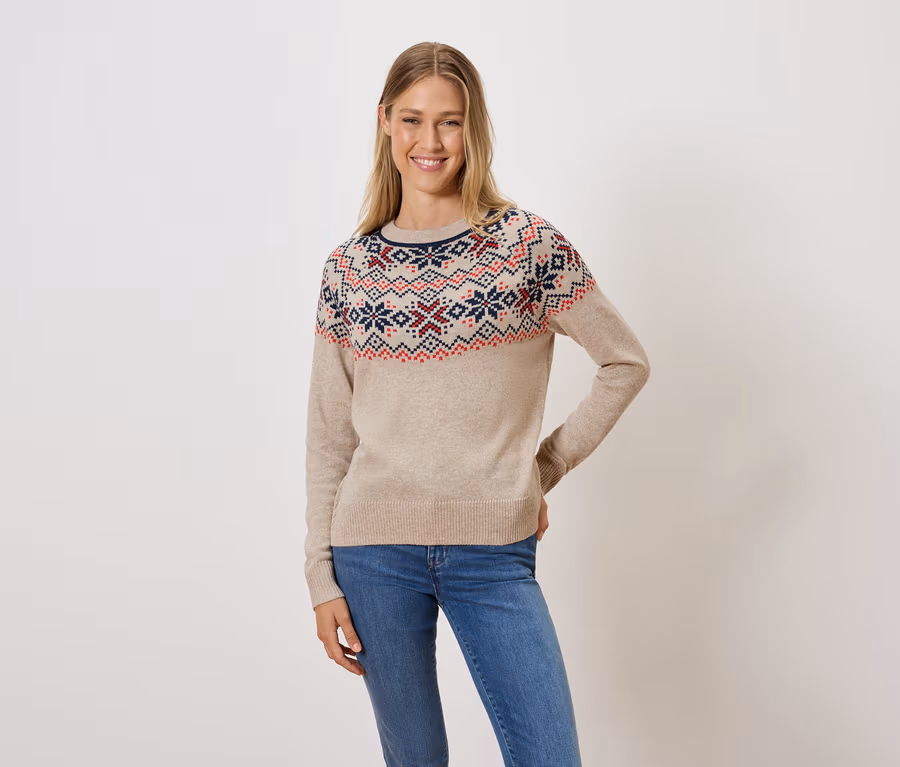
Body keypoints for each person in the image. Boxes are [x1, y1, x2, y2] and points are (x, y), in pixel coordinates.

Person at [304, 41, 650, 767]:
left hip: (493, 551)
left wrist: (539, 471)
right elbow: (330, 434)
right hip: (371, 552)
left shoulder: (527, 247)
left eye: (450, 122)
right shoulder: (350, 269)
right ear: (384, 122)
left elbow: (625, 362)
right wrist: (319, 575)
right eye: (412, 119)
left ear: (474, 128)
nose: (429, 141)